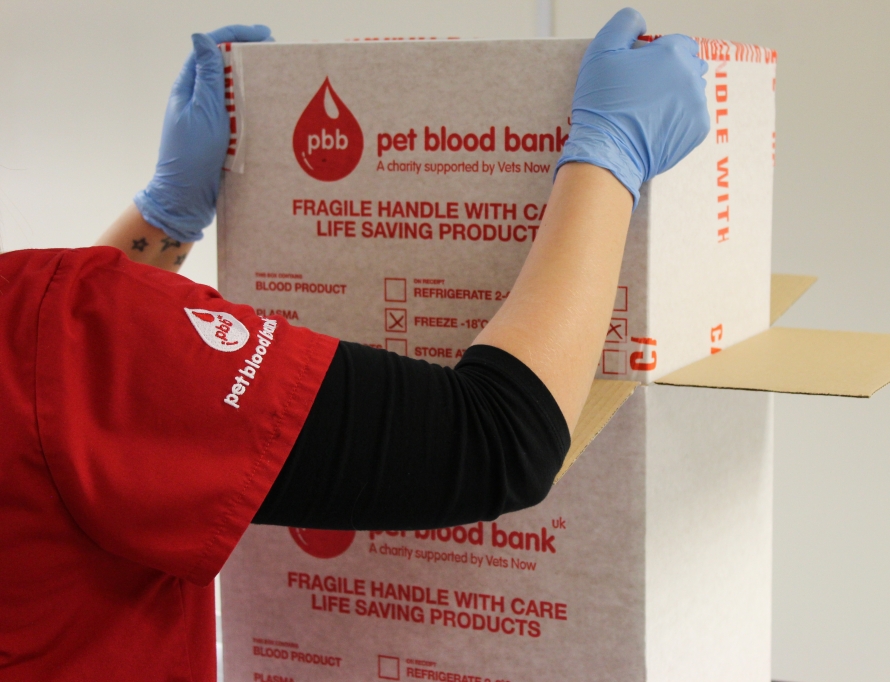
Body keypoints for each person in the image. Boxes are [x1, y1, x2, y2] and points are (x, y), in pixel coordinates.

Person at [0, 8, 709, 681]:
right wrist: (610, 157)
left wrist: (162, 216)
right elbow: (497, 441)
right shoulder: (41, 328)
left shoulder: (40, 335)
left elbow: (57, 396)